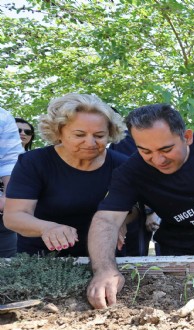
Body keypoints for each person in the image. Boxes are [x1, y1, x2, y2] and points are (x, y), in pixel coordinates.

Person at [87, 103, 194, 309]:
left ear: (187, 137)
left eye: (166, 149)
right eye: (145, 151)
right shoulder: (130, 171)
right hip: (178, 243)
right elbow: (106, 218)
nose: (158, 160)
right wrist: (104, 270)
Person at [4, 94, 128, 256]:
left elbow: (132, 207)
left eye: (99, 136)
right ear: (58, 132)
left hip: (105, 255)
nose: (90, 143)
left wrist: (121, 221)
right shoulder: (34, 162)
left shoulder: (122, 165)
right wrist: (47, 228)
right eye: (79, 135)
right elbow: (14, 216)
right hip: (43, 258)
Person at [0, 107, 23, 258]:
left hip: (2, 220)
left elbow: (10, 161)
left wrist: (10, 200)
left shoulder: (2, 116)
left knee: (8, 276)